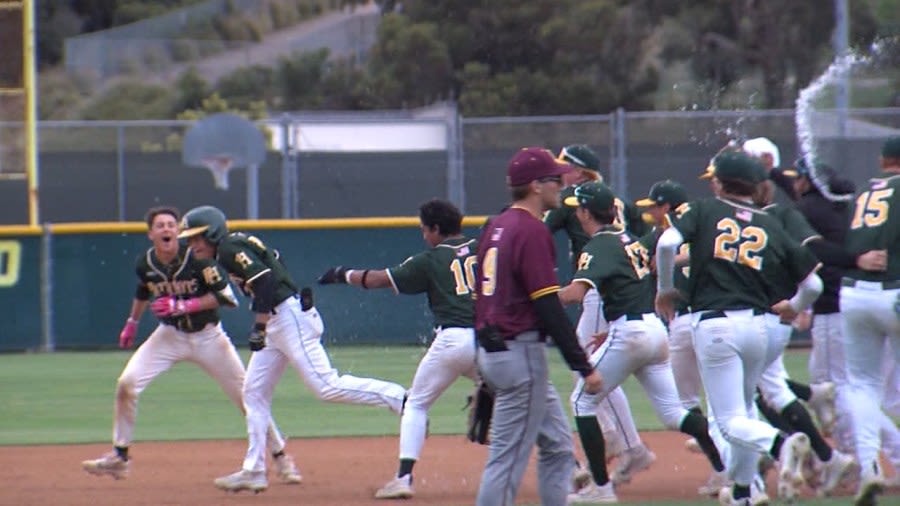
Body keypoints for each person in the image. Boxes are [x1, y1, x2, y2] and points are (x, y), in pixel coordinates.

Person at [177, 205, 408, 493]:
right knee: (253, 393)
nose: (191, 243)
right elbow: (274, 261)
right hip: (281, 318)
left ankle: (400, 399)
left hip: (287, 319)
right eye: (189, 238)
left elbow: (264, 279)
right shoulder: (236, 244)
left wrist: (259, 326)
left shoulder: (226, 249)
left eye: (197, 237)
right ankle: (255, 470)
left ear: (212, 232)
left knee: (325, 386)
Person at [81, 206, 300, 486]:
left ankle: (281, 457)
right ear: (150, 234)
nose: (167, 230)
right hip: (169, 336)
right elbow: (143, 290)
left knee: (248, 397)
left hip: (208, 337)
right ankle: (119, 457)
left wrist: (182, 305)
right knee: (127, 383)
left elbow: (227, 298)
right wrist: (132, 322)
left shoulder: (198, 261)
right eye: (160, 225)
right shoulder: (146, 262)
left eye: (172, 225)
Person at [655, 151, 823, 505]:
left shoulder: (704, 209)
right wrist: (794, 308)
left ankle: (781, 443)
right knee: (744, 410)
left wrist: (664, 290)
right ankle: (745, 492)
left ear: (719, 183)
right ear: (755, 186)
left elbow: (667, 243)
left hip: (716, 324)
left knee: (729, 422)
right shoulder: (770, 222)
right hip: (759, 328)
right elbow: (814, 286)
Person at [558, 181, 725, 504]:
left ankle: (601, 490)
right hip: (652, 329)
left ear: (585, 212)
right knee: (675, 414)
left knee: (582, 401)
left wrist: (535, 295)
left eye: (578, 207)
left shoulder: (598, 246)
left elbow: (574, 295)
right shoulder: (629, 240)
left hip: (631, 333)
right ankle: (726, 465)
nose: (576, 212)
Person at [317, 198, 479, 500]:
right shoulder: (485, 250)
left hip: (452, 340)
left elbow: (379, 280)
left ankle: (404, 478)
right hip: (488, 342)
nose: (423, 235)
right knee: (520, 399)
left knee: (416, 404)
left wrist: (342, 274)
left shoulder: (430, 260)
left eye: (424, 230)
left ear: (435, 229)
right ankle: (572, 466)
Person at [473, 147, 602, 506]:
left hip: (496, 349)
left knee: (559, 448)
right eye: (555, 179)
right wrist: (583, 365)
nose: (562, 183)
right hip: (520, 354)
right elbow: (546, 305)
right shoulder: (531, 230)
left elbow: (481, 300)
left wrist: (485, 358)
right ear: (534, 186)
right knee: (507, 458)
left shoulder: (496, 226)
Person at [546, 144, 652, 487]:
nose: (561, 173)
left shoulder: (574, 200)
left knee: (587, 364)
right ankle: (623, 439)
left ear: (581, 173)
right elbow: (645, 237)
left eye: (566, 167)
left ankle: (624, 441)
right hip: (625, 287)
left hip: (597, 289)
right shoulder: (617, 199)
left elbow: (540, 230)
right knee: (592, 364)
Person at [841, 136, 900, 506]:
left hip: (855, 294)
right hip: (895, 289)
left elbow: (849, 242)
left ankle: (869, 469)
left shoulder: (865, 190)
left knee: (862, 385)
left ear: (882, 161)